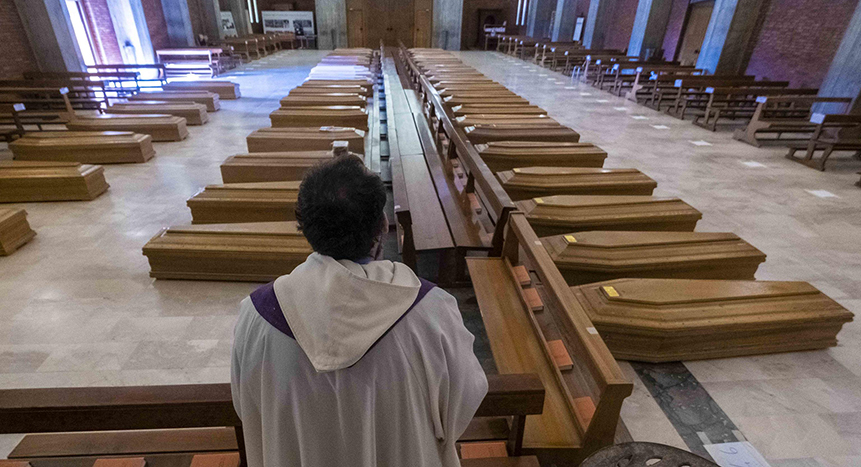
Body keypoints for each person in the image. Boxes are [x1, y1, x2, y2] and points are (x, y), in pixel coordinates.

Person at [231, 155, 488, 467]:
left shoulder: (256, 317)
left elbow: (248, 408)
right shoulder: (431, 311)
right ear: (382, 227)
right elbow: (463, 401)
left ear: (306, 229)